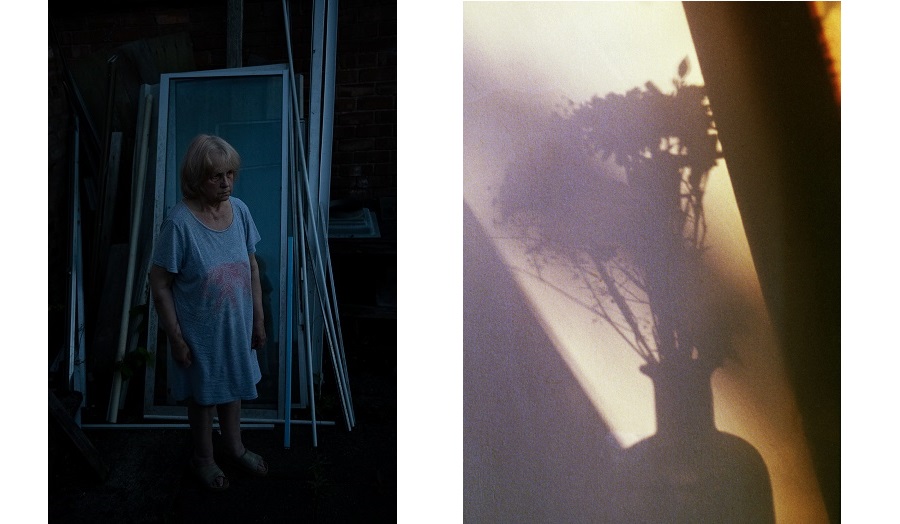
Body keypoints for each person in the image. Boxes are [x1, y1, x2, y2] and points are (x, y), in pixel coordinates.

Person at [149, 134, 268, 491]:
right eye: (216, 176)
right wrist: (176, 338)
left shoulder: (241, 211)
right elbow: (159, 283)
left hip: (237, 326)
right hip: (200, 334)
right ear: (196, 177)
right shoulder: (179, 223)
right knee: (203, 399)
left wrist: (258, 320)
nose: (226, 182)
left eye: (230, 173)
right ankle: (203, 458)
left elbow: (252, 267)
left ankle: (234, 447)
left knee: (232, 389)